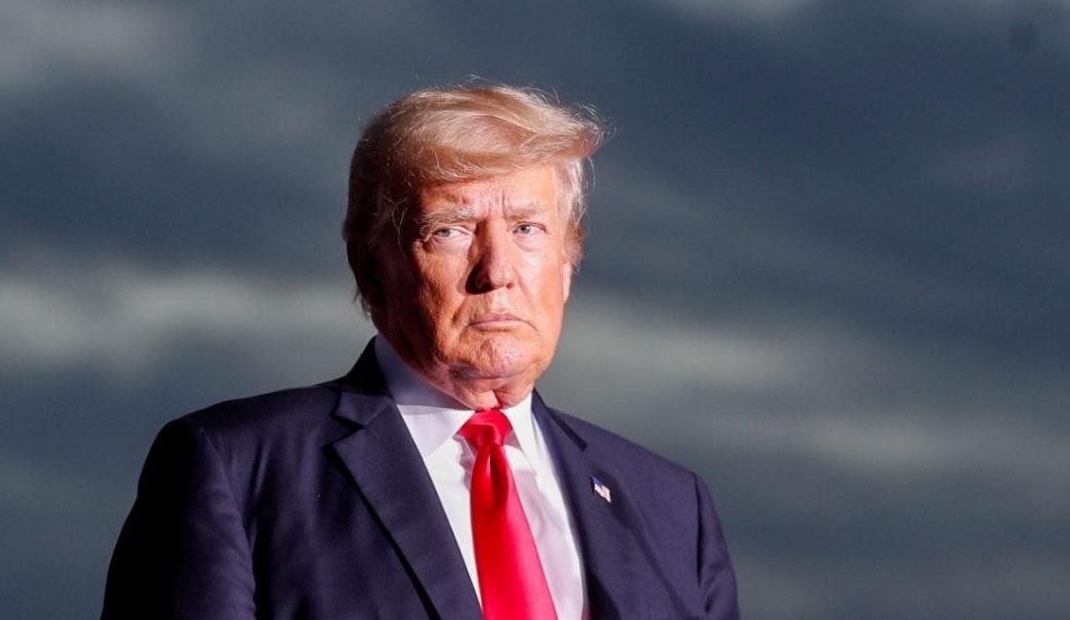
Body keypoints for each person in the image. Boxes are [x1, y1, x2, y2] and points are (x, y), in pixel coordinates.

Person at [101, 85, 739, 619]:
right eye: (451, 230)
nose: (498, 271)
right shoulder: (236, 467)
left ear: (569, 261)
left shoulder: (672, 506)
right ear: (369, 262)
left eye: (527, 229)